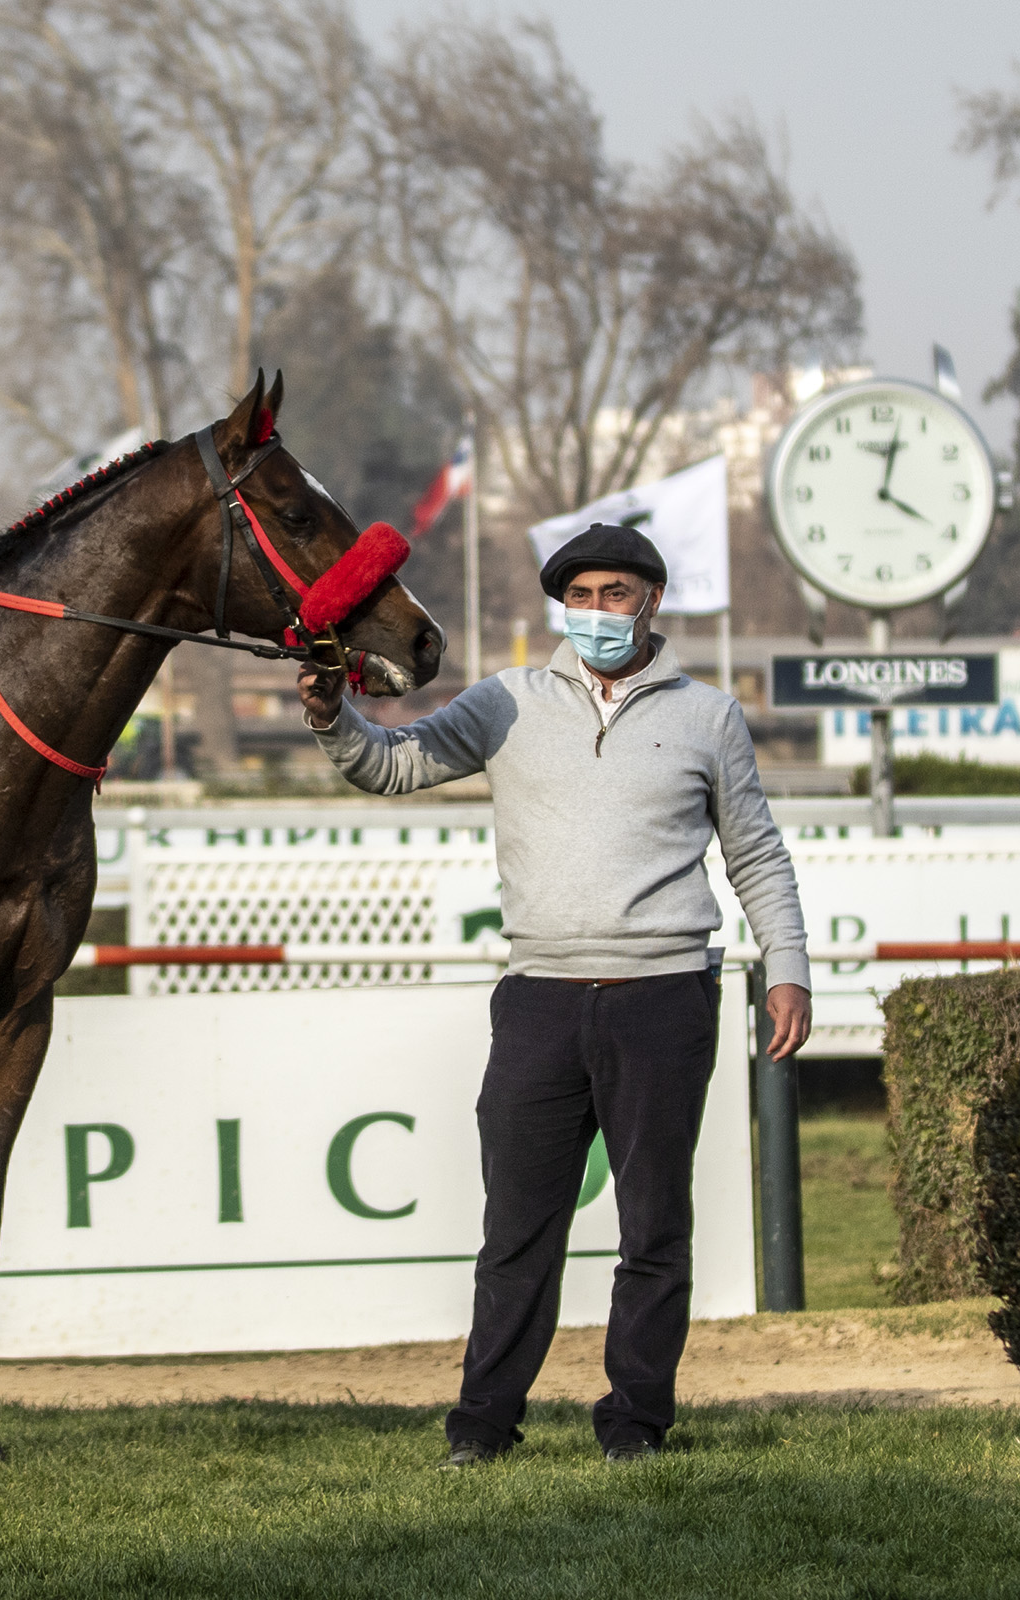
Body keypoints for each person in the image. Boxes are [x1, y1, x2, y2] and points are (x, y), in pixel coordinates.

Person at [296, 522, 812, 1467]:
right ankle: (482, 1426)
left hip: (664, 997)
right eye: (579, 596)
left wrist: (788, 966)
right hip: (539, 998)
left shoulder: (709, 716)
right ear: (560, 606)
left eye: (615, 594)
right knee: (515, 1232)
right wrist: (334, 718)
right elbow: (393, 764)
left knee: (654, 1227)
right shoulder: (506, 703)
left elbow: (757, 855)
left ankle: (636, 1424)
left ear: (652, 601)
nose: (596, 611)